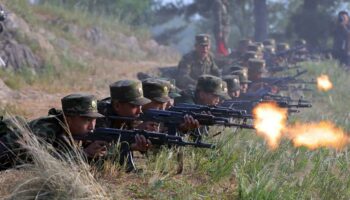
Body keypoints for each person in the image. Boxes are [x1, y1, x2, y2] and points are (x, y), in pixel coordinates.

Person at [0, 93, 107, 169]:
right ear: (68, 119)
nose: (92, 126)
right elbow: (47, 163)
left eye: (94, 120)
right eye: (87, 120)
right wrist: (84, 153)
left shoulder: (78, 132)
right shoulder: (45, 130)